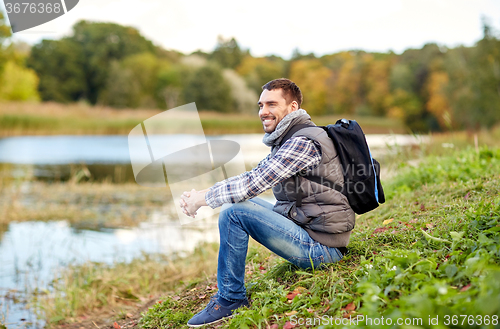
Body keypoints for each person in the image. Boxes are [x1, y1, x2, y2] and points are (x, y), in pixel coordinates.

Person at [180, 78, 355, 327]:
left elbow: (255, 182)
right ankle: (230, 294)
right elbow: (251, 177)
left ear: (292, 108)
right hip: (313, 233)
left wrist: (202, 200)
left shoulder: (302, 142)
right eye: (260, 105)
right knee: (235, 205)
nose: (263, 111)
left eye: (272, 104)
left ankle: (230, 300)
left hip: (323, 248)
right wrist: (203, 193)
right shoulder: (290, 138)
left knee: (234, 213)